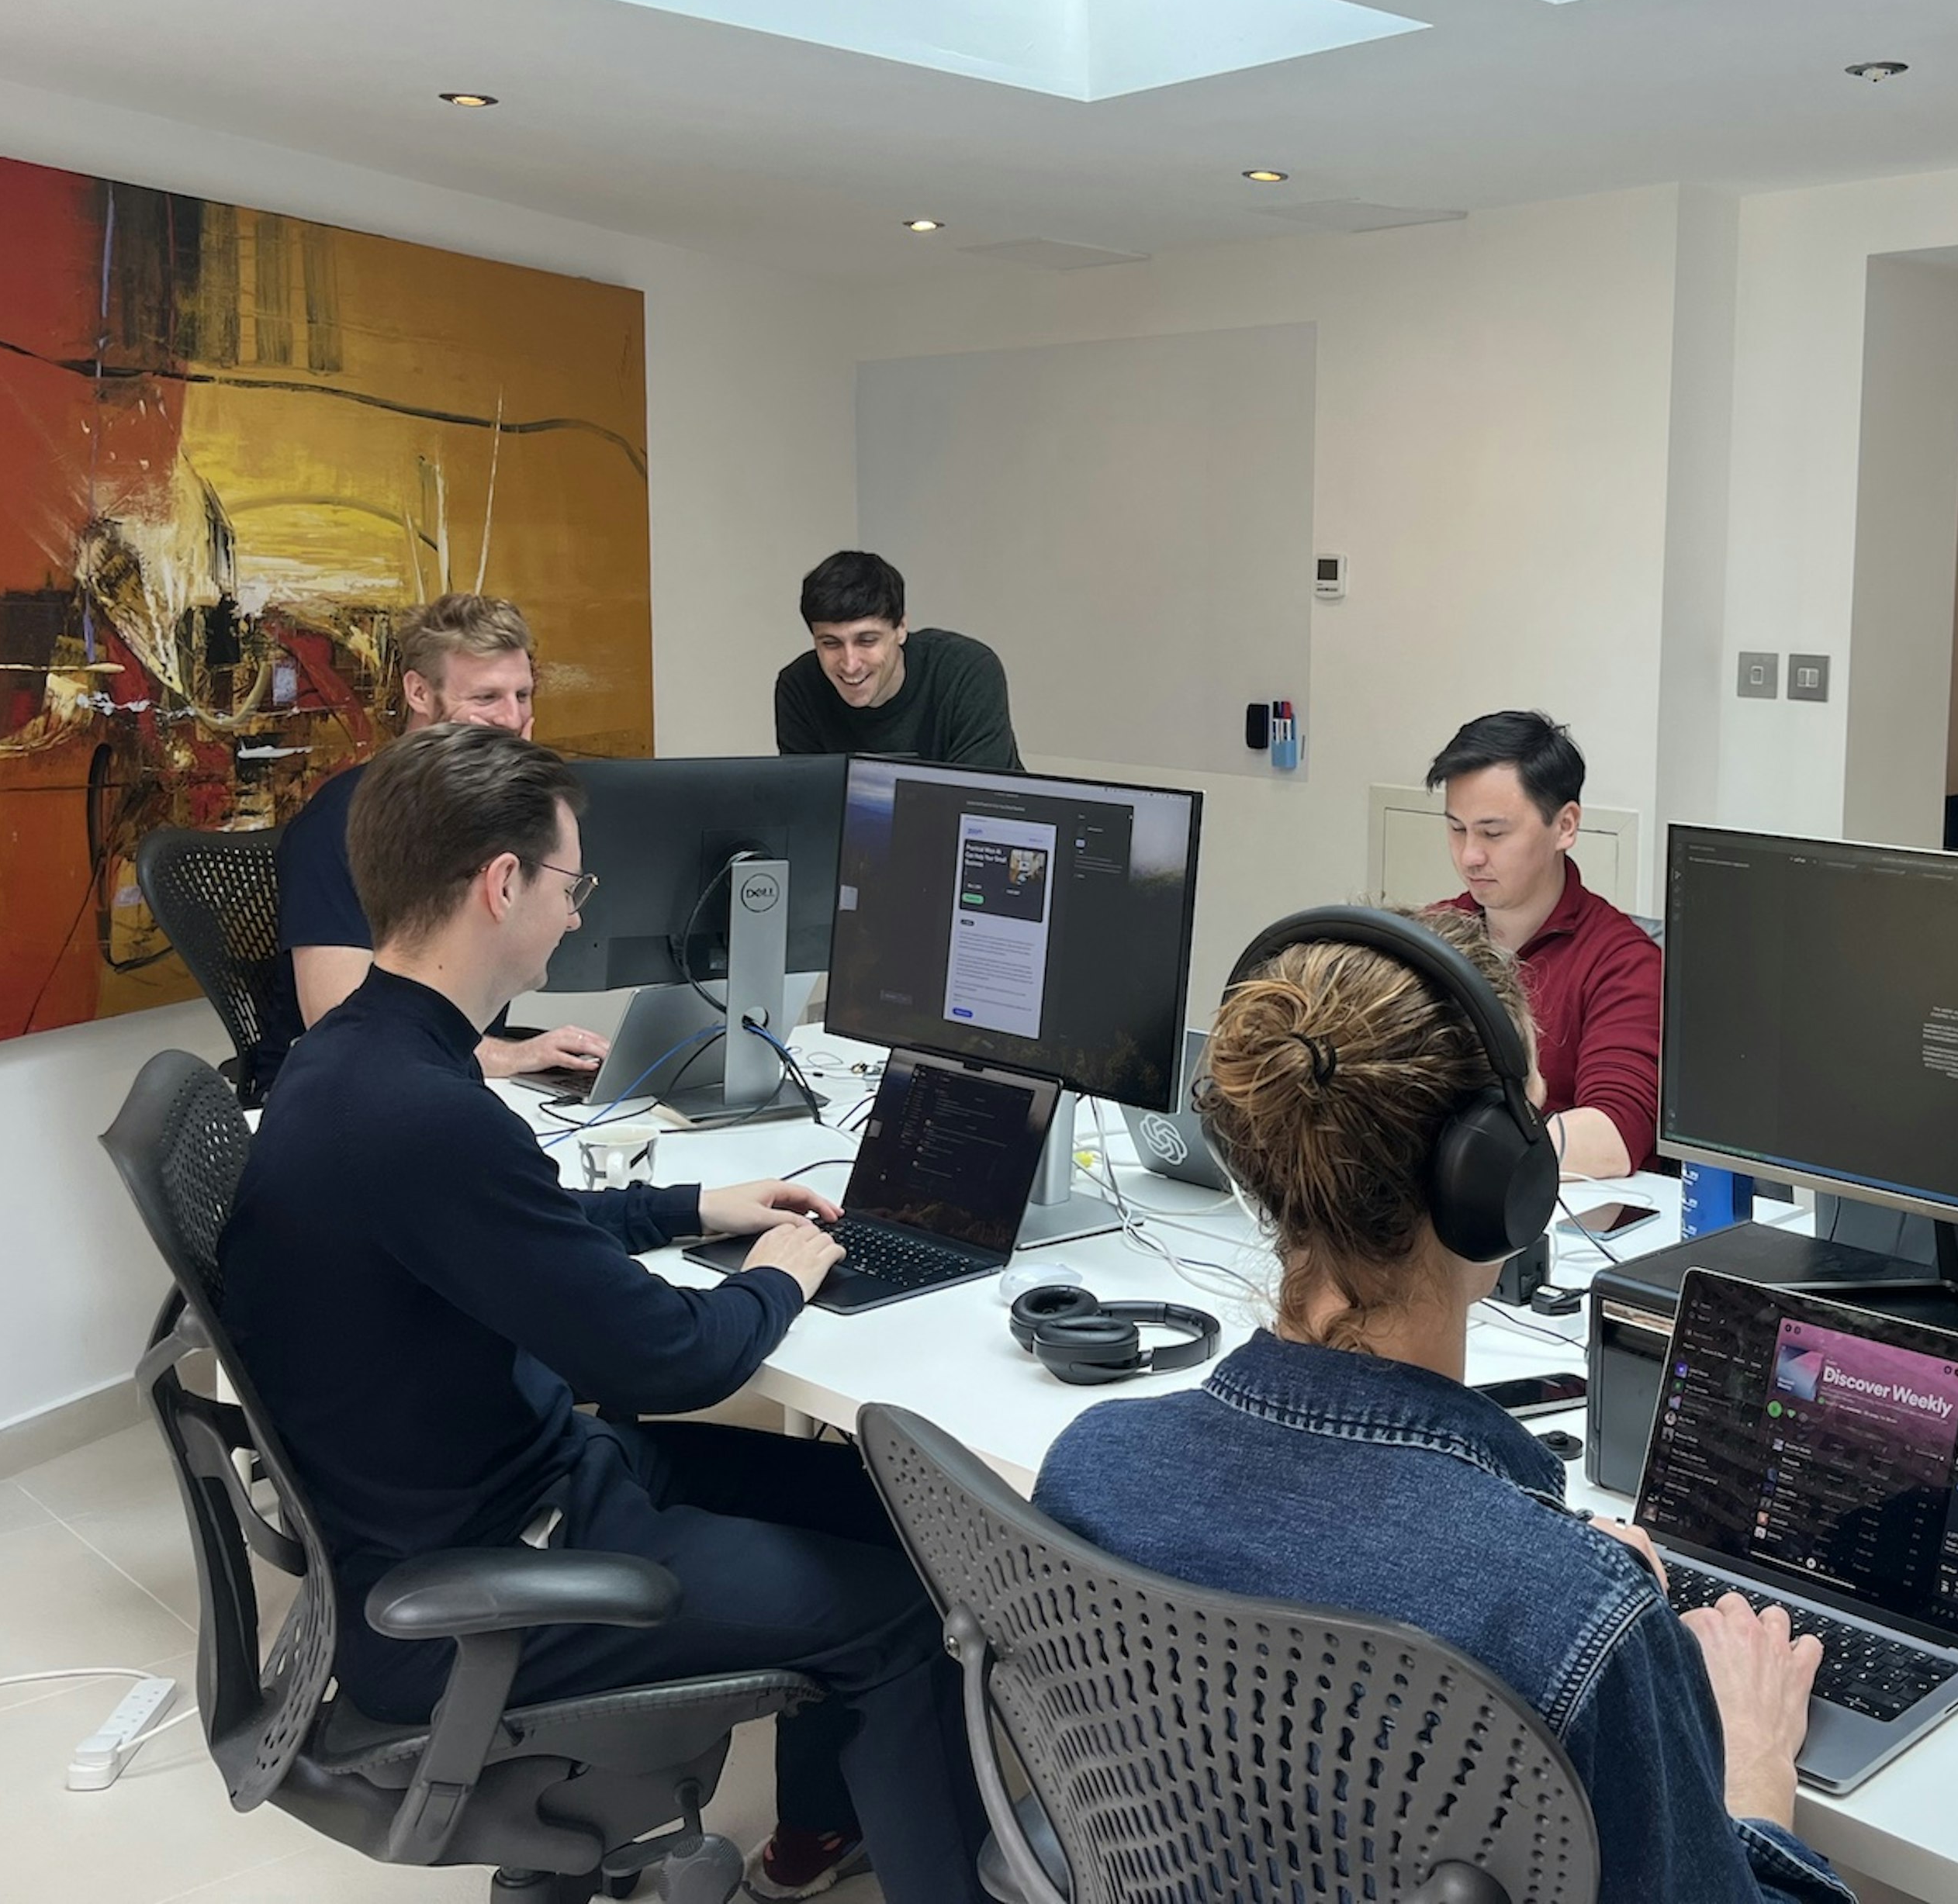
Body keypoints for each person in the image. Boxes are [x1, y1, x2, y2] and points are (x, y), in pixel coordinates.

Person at [219, 724, 986, 1902]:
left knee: (897, 1514)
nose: (578, 915)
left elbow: (517, 1229)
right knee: (899, 1613)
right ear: (502, 883)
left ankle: (829, 1830)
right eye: (572, 887)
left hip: (504, 1487)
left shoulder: (363, 1061)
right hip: (487, 1572)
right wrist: (780, 1271)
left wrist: (694, 1203)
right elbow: (673, 1357)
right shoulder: (426, 1116)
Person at [1032, 910, 1851, 1904]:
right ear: (1498, 1181)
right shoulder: (1581, 1622)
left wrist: (1561, 1567)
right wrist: (1756, 1769)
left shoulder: (1091, 1465)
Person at [264, 593, 607, 1089]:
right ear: (419, 693)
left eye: (523, 696)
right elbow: (337, 1017)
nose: (512, 720)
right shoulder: (341, 820)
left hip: (450, 1075)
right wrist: (509, 1057)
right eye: (486, 698)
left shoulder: (501, 819)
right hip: (342, 1091)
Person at [1428, 710, 1663, 1177]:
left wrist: (1456, 1146)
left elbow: (1613, 1137)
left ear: (1566, 826)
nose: (1471, 856)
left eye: (1494, 833)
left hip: (1566, 1224)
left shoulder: (1624, 963)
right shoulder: (1432, 937)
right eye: (1457, 829)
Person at [773, 550, 1020, 769]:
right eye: (830, 643)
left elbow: (976, 802)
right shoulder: (799, 687)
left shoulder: (967, 671)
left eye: (867, 641)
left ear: (901, 628)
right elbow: (807, 806)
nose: (850, 664)